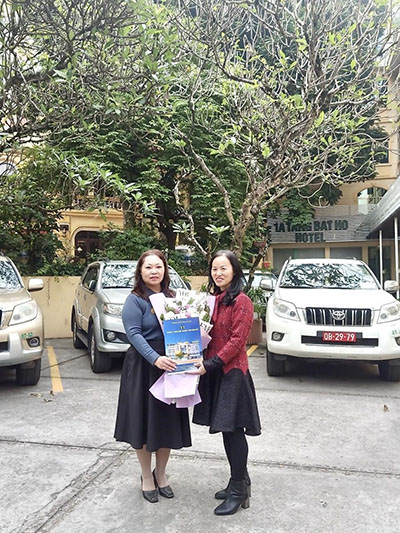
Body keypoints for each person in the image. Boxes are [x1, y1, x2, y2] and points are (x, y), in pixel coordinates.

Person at [114, 249, 191, 503]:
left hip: (171, 366)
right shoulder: (135, 300)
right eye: (148, 267)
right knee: (143, 424)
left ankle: (162, 473)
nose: (154, 271)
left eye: (158, 266)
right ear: (140, 271)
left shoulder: (173, 298)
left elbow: (186, 329)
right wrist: (154, 358)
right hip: (144, 367)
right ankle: (146, 476)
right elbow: (134, 334)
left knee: (166, 423)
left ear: (165, 270)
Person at [192, 250, 261, 516]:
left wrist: (210, 364)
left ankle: (238, 489)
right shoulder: (214, 300)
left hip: (232, 373)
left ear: (234, 271)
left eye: (224, 268)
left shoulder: (242, 301)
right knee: (225, 429)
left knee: (233, 431)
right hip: (216, 372)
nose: (218, 273)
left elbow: (237, 341)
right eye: (214, 269)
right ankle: (239, 481)